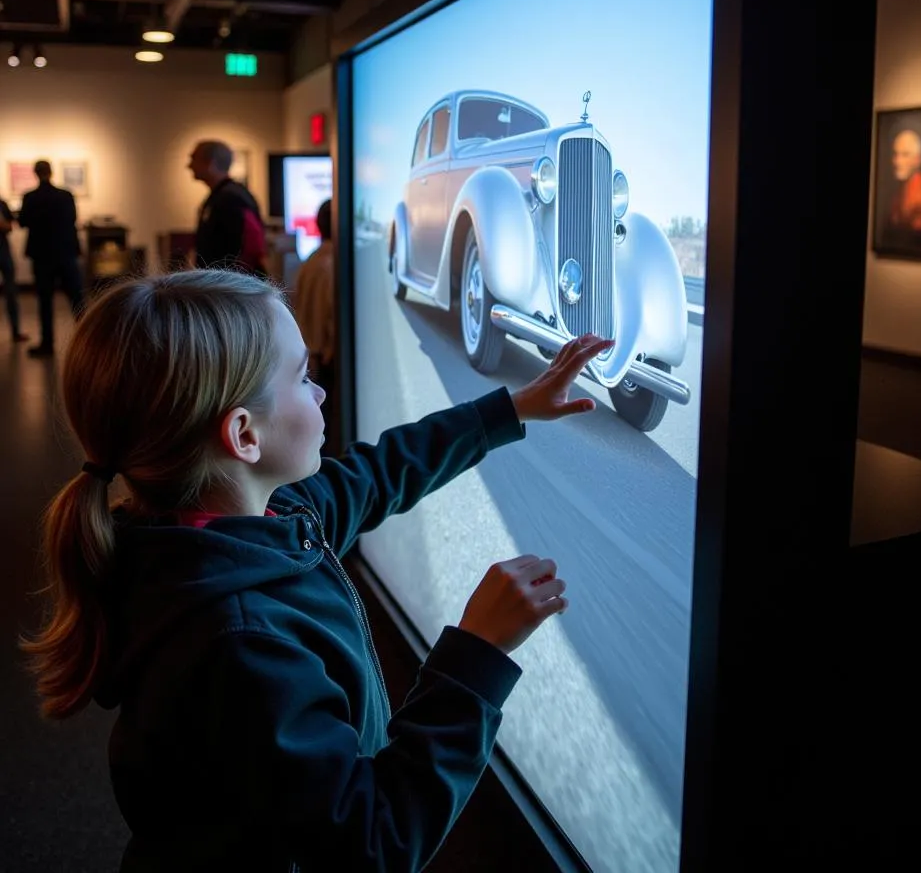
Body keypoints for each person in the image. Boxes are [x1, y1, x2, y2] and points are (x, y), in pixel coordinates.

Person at [21, 268, 610, 872]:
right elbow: (372, 842)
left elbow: (380, 472)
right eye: (303, 377)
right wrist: (477, 655)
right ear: (244, 435)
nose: (322, 391)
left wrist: (509, 409)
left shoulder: (259, 518)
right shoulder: (243, 646)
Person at [17, 160, 84, 357]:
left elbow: (23, 222)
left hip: (42, 256)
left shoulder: (30, 197)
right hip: (65, 253)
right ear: (51, 172)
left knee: (45, 301)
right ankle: (88, 339)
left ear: (36, 174)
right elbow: (72, 218)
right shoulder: (65, 195)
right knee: (77, 299)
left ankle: (47, 344)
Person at [189, 140, 267, 275]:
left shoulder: (231, 198)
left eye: (194, 159)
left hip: (230, 286)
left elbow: (252, 247)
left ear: (210, 163)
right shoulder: (220, 196)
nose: (189, 166)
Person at [293, 198, 335, 444]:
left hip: (310, 356)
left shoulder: (311, 261)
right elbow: (327, 318)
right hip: (325, 359)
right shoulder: (333, 265)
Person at [888, 129, 921, 232]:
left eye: (905, 155)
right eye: (895, 154)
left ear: (917, 160)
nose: (897, 161)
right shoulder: (899, 191)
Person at [0, 194, 28, 343]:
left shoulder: (2, 203)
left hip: (3, 252)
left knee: (11, 292)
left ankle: (15, 331)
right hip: (3, 251)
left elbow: (10, 226)